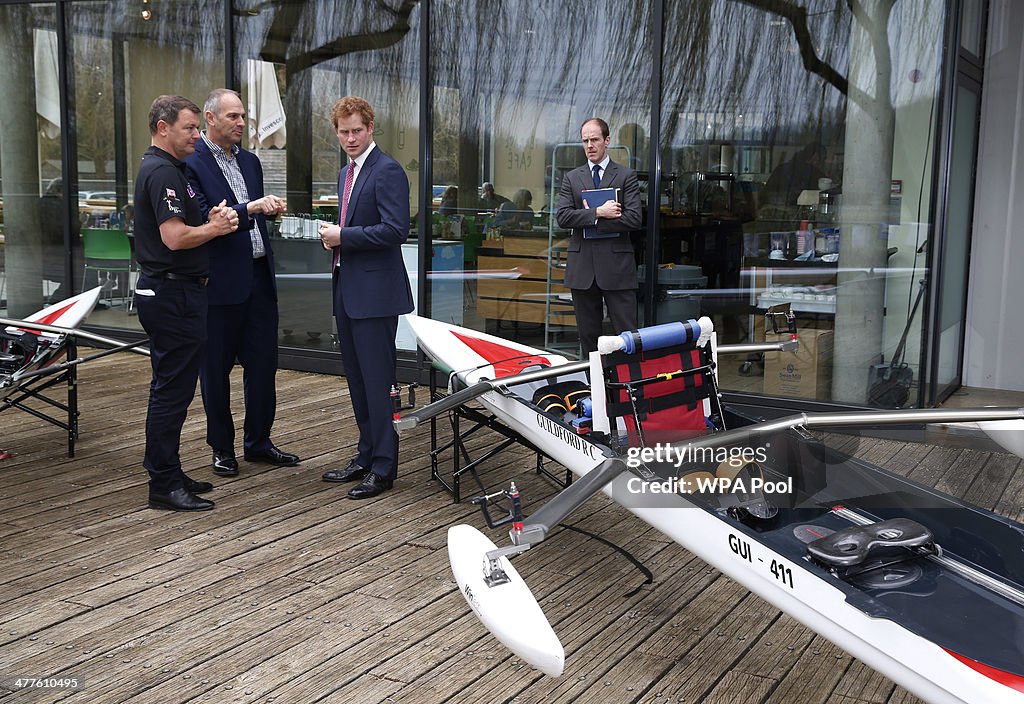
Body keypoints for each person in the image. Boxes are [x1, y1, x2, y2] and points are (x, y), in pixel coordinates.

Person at [184, 88, 298, 477]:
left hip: (259, 279)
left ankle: (259, 442)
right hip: (219, 284)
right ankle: (222, 448)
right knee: (215, 370)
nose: (241, 123)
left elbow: (254, 218)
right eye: (232, 116)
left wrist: (270, 209)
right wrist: (251, 208)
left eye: (243, 116)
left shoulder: (250, 162)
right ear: (210, 118)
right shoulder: (192, 163)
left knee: (263, 365)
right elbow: (204, 215)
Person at [133, 95, 239, 511]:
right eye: (189, 128)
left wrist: (210, 219)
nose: (197, 134)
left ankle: (169, 470)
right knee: (171, 391)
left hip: (181, 292)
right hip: (171, 293)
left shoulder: (175, 169)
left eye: (197, 127)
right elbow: (174, 237)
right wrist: (213, 228)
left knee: (174, 388)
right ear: (163, 128)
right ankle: (162, 482)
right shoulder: (161, 171)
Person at [317, 96, 414, 499]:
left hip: (375, 295)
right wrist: (336, 243)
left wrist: (344, 238)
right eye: (343, 132)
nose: (351, 138)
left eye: (357, 130)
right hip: (348, 286)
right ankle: (365, 454)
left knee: (378, 382)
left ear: (371, 127)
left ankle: (384, 467)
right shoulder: (346, 174)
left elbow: (396, 230)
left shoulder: (387, 170)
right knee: (357, 380)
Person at [556, 117, 643, 356]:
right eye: (585, 141)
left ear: (607, 141)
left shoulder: (626, 176)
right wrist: (598, 213)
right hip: (583, 269)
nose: (589, 145)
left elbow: (635, 219)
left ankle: (628, 389)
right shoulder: (572, 178)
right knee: (588, 339)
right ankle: (594, 389)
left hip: (617, 268)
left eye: (594, 139)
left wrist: (594, 223)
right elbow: (562, 217)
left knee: (628, 337)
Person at [760, 143, 827, 210]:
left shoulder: (781, 169)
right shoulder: (815, 175)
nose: (822, 164)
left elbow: (765, 196)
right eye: (822, 160)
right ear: (815, 158)